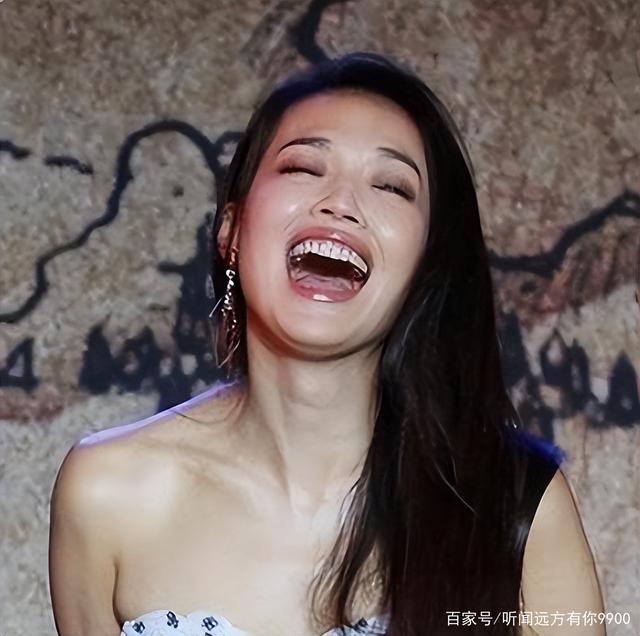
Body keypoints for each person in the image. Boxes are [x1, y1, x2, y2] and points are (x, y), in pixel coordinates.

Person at [48, 52, 605, 636]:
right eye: (303, 168)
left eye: (390, 186)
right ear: (231, 231)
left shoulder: (513, 506)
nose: (340, 204)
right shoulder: (107, 494)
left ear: (427, 263)